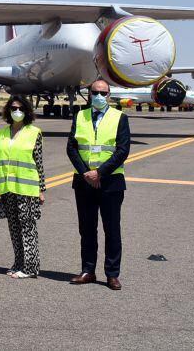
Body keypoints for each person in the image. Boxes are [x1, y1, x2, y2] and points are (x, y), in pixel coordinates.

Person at [67, 80, 130, 290]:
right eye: (95, 92)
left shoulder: (120, 117)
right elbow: (72, 148)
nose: (99, 96)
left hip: (110, 182)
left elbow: (123, 150)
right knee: (87, 229)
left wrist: (99, 173)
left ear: (109, 94)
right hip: (84, 182)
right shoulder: (79, 116)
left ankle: (112, 274)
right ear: (89, 93)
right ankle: (88, 271)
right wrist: (86, 173)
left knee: (112, 230)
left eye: (103, 93)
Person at [0, 95, 45, 279]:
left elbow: (38, 162)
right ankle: (18, 263)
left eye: (21, 109)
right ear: (8, 110)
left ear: (27, 112)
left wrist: (41, 189)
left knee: (28, 228)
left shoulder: (34, 132)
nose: (17, 112)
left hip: (27, 188)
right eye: (14, 108)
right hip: (7, 188)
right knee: (14, 228)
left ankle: (31, 268)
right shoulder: (0, 134)